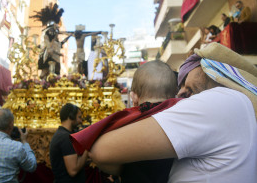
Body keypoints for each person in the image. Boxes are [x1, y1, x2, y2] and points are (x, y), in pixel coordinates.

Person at [89, 43, 257, 183]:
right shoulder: (235, 105)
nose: (181, 93)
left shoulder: (221, 100)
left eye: (184, 82)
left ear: (209, 67)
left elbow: (100, 150)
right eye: (180, 86)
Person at [70, 60, 181, 183]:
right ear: (174, 95)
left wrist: (122, 170)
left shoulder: (128, 124)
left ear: (134, 97)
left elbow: (99, 156)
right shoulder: (182, 120)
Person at [50, 103, 88, 183]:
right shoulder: (65, 138)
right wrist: (87, 148)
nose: (81, 121)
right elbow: (73, 171)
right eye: (79, 117)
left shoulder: (63, 134)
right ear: (71, 116)